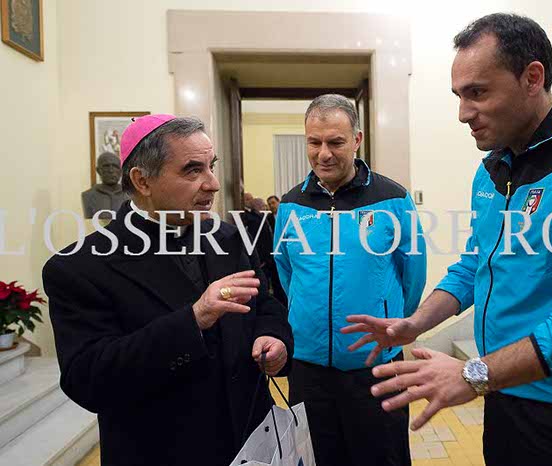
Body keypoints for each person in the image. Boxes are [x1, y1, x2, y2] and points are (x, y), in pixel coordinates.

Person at [343, 14, 552, 466]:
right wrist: (415, 323)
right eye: (458, 95)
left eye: (477, 92)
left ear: (532, 78)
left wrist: (472, 374)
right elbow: (475, 266)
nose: (463, 113)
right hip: (506, 388)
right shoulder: (494, 169)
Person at [43, 114, 293, 466]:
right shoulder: (80, 267)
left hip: (252, 442)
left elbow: (264, 304)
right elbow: (88, 381)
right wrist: (194, 320)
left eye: (211, 166)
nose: (213, 184)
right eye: (193, 170)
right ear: (142, 181)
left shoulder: (229, 237)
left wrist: (274, 337)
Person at [274, 94, 427, 466]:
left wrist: (392, 321)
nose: (323, 154)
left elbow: (413, 274)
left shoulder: (393, 199)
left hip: (375, 364)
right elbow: (286, 273)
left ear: (357, 140)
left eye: (335, 142)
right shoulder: (291, 205)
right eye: (314, 142)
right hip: (308, 368)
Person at [81, 152, 129, 219]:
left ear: (121, 171)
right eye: (106, 166)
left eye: (115, 166)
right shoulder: (88, 195)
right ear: (98, 170)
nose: (111, 170)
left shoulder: (131, 195)